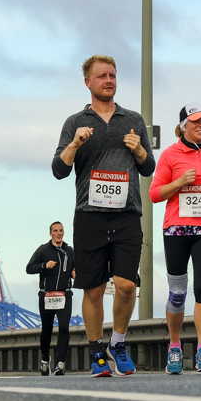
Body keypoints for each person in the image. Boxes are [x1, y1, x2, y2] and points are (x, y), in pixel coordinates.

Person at [51, 54, 156, 376]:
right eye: (102, 76)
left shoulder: (133, 119)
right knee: (93, 288)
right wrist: (75, 144)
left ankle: (118, 342)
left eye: (112, 75)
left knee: (126, 285)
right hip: (89, 215)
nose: (108, 80)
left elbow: (149, 167)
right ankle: (97, 351)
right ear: (88, 83)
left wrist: (139, 150)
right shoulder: (74, 122)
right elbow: (58, 170)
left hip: (126, 214)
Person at [149, 103, 201, 374]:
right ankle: (174, 346)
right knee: (177, 293)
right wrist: (179, 182)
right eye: (196, 122)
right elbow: (154, 194)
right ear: (183, 126)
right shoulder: (170, 155)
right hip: (176, 230)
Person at [26, 222, 75, 375]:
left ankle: (60, 363)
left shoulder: (70, 251)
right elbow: (29, 268)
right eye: (55, 231)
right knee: (46, 330)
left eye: (61, 231)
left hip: (64, 294)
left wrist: (75, 273)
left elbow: (77, 268)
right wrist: (44, 265)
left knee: (64, 329)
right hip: (47, 295)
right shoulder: (43, 250)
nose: (58, 233)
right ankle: (45, 360)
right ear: (50, 233)